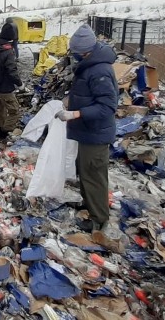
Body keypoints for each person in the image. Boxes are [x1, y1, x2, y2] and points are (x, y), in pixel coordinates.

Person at [55, 24, 118, 240]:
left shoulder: (99, 70)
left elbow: (107, 107)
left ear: (85, 51)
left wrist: (76, 114)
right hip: (89, 133)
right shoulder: (91, 65)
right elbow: (89, 95)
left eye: (76, 53)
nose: (74, 57)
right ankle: (89, 205)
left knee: (94, 175)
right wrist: (69, 101)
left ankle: (99, 219)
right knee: (86, 171)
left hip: (96, 133)